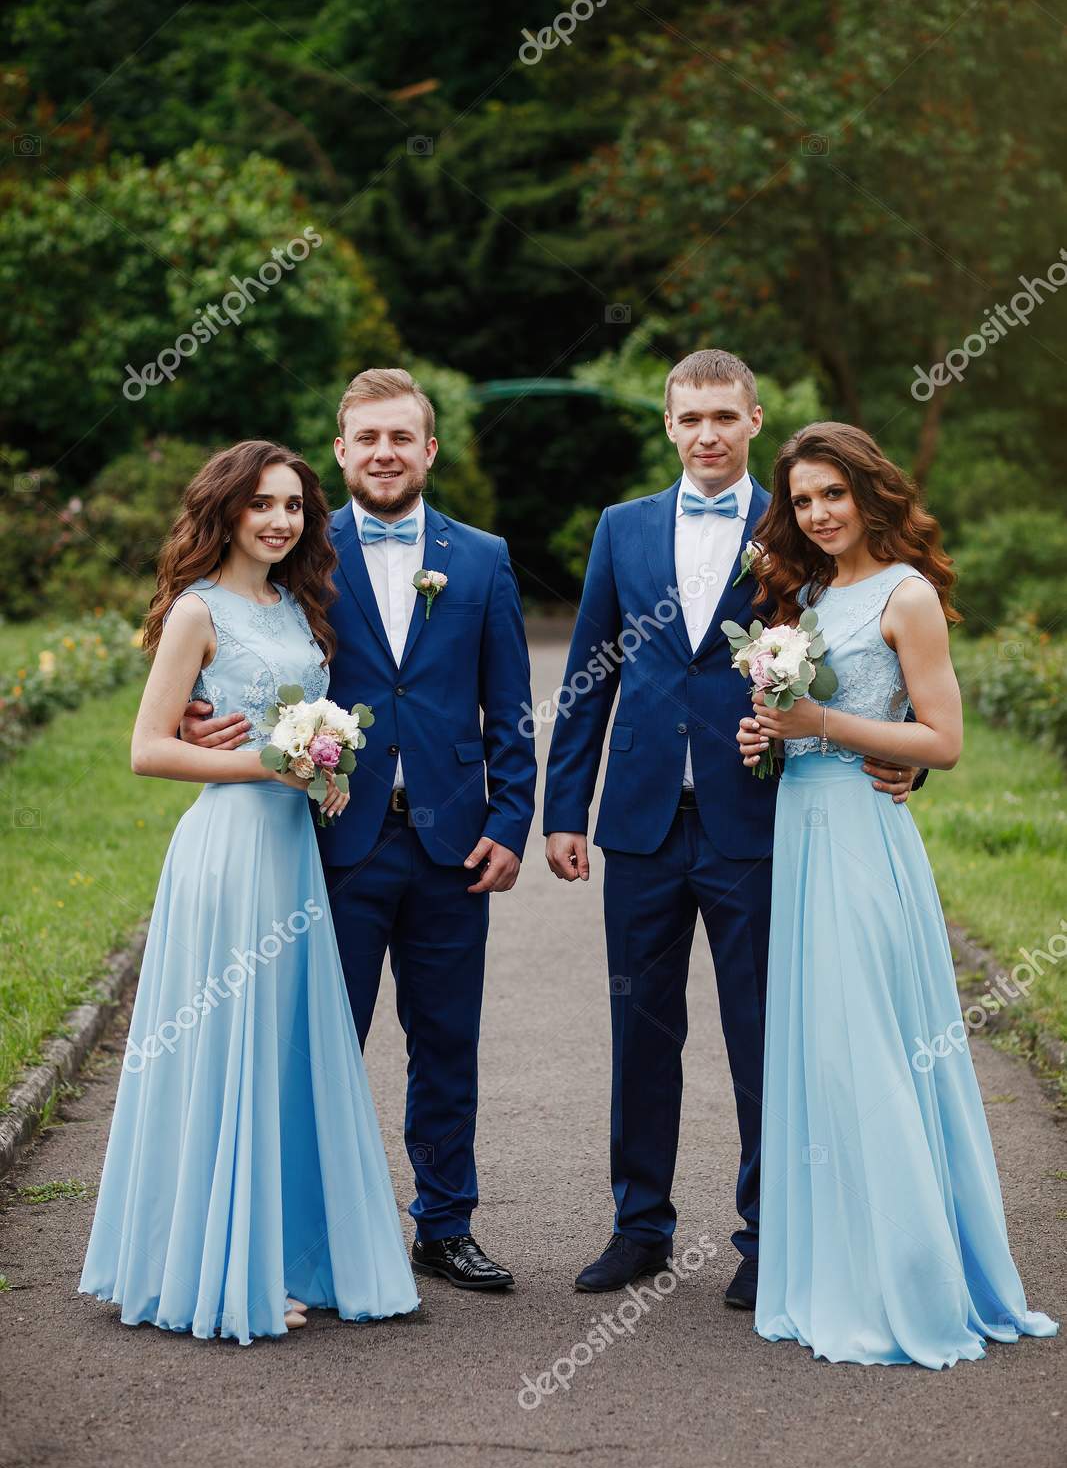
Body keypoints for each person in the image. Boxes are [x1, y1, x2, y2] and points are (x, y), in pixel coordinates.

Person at [543, 350, 918, 1304]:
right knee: (640, 1024)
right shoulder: (621, 529)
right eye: (688, 418)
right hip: (637, 821)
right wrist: (562, 811)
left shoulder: (797, 522)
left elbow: (866, 645)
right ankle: (639, 1226)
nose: (706, 433)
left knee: (762, 1031)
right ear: (668, 427)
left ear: (753, 419)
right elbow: (589, 675)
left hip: (761, 812)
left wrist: (906, 754)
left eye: (723, 416)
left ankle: (767, 1234)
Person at [180, 371, 537, 1291]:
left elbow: (510, 706)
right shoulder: (299, 544)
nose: (384, 453)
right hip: (330, 840)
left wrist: (511, 818)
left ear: (427, 449)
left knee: (447, 1040)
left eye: (400, 438)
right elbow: (235, 634)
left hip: (456, 841)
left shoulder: (484, 557)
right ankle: (314, 1234)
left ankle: (445, 1225)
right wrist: (194, 706)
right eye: (365, 438)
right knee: (319, 1037)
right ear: (341, 451)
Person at [79, 441, 420, 1343]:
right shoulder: (198, 612)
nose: (280, 520)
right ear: (227, 510)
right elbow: (148, 748)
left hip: (292, 852)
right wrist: (263, 763)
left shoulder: (297, 606)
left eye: (295, 507)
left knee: (284, 1049)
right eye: (262, 504)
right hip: (229, 851)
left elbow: (310, 728)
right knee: (232, 1047)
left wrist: (327, 769)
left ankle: (292, 1252)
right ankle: (222, 1268)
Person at [738, 420, 1057, 1366]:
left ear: (869, 494)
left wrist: (820, 720)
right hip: (800, 827)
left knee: (867, 1048)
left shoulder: (904, 595)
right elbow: (799, 725)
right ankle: (832, 1270)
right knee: (817, 1052)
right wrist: (768, 741)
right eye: (801, 500)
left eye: (832, 493)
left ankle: (905, 1279)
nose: (819, 512)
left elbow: (941, 739)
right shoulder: (799, 595)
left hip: (863, 842)